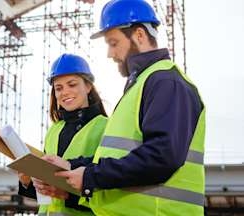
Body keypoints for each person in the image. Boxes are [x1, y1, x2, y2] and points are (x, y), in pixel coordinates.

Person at [39, 0, 206, 215]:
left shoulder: (166, 82)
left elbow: (162, 157)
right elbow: (120, 157)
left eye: (114, 43)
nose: (110, 53)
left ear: (139, 35)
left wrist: (90, 177)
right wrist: (71, 168)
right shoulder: (142, 85)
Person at [18, 53, 108, 216]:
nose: (65, 92)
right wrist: (28, 182)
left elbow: (110, 186)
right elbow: (45, 195)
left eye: (72, 84)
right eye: (58, 88)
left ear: (88, 86)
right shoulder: (54, 130)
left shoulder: (106, 127)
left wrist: (68, 196)